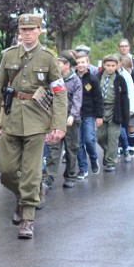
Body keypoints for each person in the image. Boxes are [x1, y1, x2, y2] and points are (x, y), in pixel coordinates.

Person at [0, 14, 67, 239]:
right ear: (19, 32)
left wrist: (58, 124)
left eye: (32, 29)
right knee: (6, 170)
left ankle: (28, 220)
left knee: (31, 172)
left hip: (37, 121)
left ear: (39, 31)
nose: (27, 33)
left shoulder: (48, 58)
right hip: (12, 119)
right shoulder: (9, 55)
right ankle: (23, 198)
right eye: (23, 29)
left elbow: (60, 94)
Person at [42, 50, 82, 192]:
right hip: (55, 119)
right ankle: (48, 178)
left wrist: (72, 115)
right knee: (53, 148)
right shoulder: (53, 79)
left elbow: (77, 100)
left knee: (71, 149)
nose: (55, 65)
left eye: (58, 63)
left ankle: (70, 176)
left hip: (71, 120)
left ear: (66, 65)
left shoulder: (76, 80)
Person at [95, 54, 130, 172]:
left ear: (117, 66)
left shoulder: (120, 80)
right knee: (100, 137)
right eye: (108, 65)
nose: (110, 68)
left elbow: (125, 98)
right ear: (104, 65)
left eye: (113, 66)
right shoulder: (97, 77)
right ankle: (109, 152)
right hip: (101, 110)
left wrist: (125, 116)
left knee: (113, 137)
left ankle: (110, 161)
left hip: (115, 110)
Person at [75, 53, 103, 178]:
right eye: (78, 62)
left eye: (83, 62)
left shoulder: (93, 79)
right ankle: (83, 168)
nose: (80, 65)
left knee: (89, 140)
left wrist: (99, 116)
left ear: (88, 63)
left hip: (88, 114)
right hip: (75, 115)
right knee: (79, 143)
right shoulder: (72, 78)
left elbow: (98, 99)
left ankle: (94, 159)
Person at [117, 55, 134, 160]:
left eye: (127, 69)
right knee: (121, 128)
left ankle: (131, 146)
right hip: (121, 107)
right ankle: (121, 146)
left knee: (131, 127)